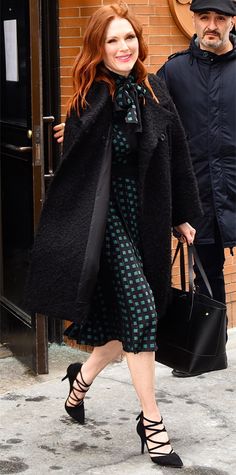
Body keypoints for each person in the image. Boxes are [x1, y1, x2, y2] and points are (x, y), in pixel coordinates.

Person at [25, 2, 202, 468]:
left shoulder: (155, 89)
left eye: (128, 38)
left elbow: (178, 155)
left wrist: (184, 214)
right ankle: (152, 422)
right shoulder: (89, 98)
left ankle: (78, 382)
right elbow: (75, 175)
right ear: (98, 49)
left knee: (131, 326)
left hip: (143, 219)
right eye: (112, 40)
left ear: (138, 42)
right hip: (103, 225)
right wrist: (75, 134)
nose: (123, 47)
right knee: (143, 310)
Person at [156, 0, 236, 377]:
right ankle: (208, 348)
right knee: (207, 268)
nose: (211, 25)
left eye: (219, 18)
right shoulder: (173, 72)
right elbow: (143, 115)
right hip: (200, 190)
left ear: (231, 22)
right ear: (195, 20)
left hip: (234, 185)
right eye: (205, 17)